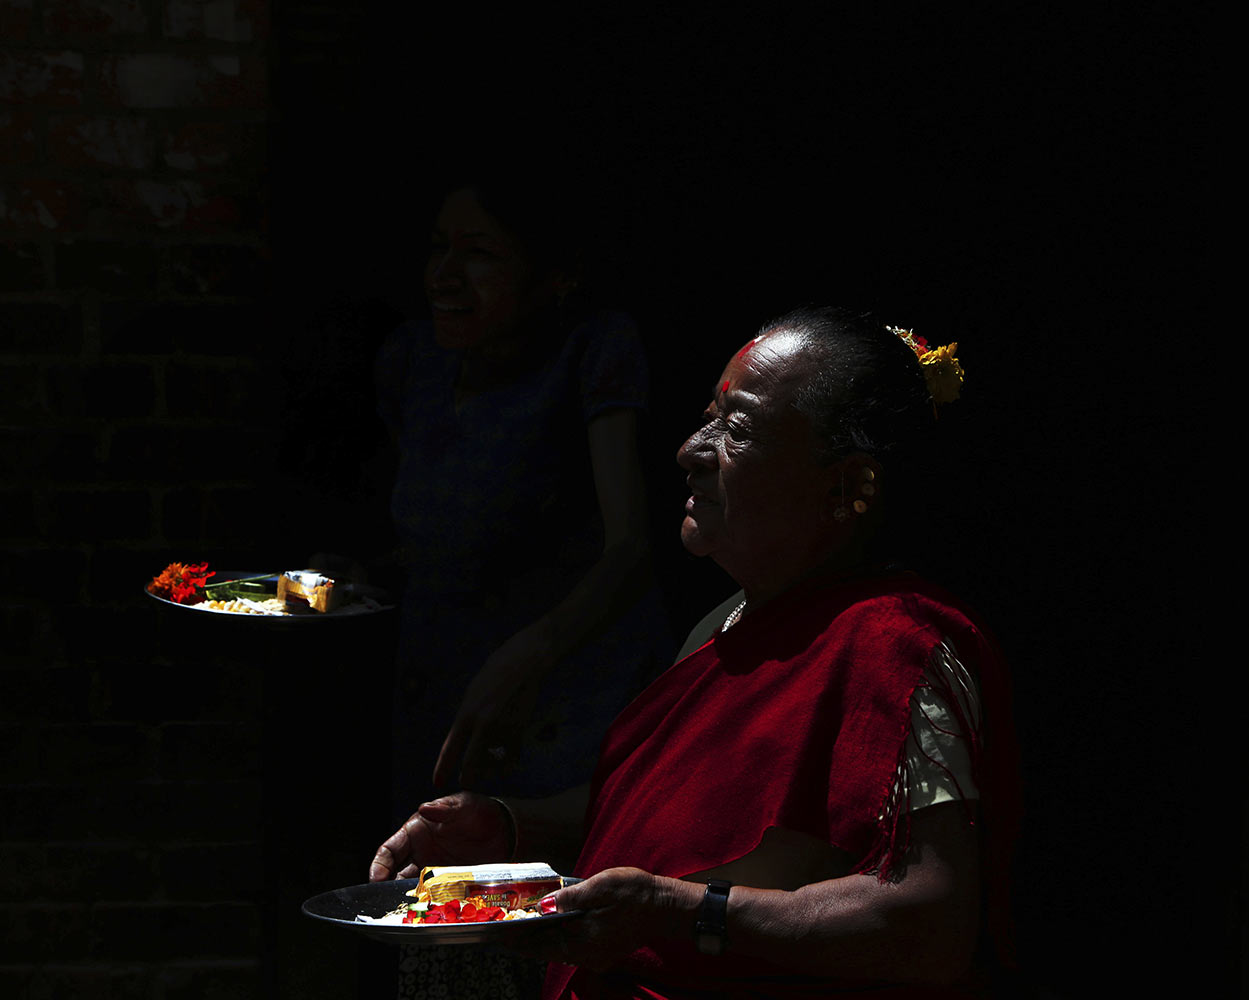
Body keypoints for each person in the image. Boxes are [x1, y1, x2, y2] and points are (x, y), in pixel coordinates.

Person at [370, 306, 1022, 999]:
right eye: (708, 416)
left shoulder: (898, 646)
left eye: (736, 431)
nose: (690, 449)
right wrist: (512, 827)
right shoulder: (727, 622)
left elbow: (930, 924)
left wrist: (685, 915)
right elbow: (680, 827)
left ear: (850, 486)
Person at [364, 170, 678, 998]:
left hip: (560, 705)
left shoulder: (594, 350)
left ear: (553, 275)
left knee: (545, 942)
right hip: (442, 696)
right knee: (440, 931)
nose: (446, 276)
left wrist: (529, 651)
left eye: (481, 254)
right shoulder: (414, 364)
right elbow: (434, 529)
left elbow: (629, 550)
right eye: (438, 249)